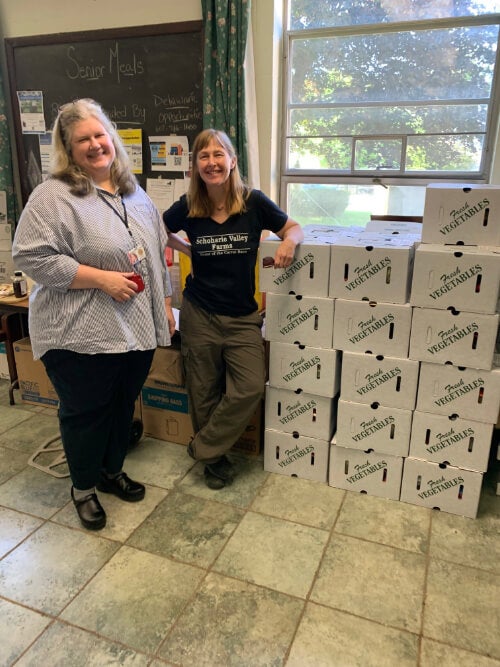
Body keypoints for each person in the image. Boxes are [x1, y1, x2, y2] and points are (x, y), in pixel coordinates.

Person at [12, 98, 177, 530]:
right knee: (86, 413)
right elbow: (30, 256)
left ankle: (110, 471)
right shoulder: (52, 197)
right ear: (68, 148)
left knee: (122, 406)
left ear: (111, 137)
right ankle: (83, 487)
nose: (95, 145)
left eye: (100, 134)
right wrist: (101, 278)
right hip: (78, 334)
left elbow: (156, 253)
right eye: (82, 139)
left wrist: (165, 303)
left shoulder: (132, 190)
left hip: (135, 329)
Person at [163, 128, 304, 489]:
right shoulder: (190, 206)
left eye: (218, 154)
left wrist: (288, 241)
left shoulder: (253, 202)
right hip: (199, 312)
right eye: (203, 156)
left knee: (250, 387)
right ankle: (215, 461)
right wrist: (185, 248)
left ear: (232, 160)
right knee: (203, 389)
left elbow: (294, 227)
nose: (211, 163)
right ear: (195, 165)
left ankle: (203, 448)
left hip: (243, 315)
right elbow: (155, 230)